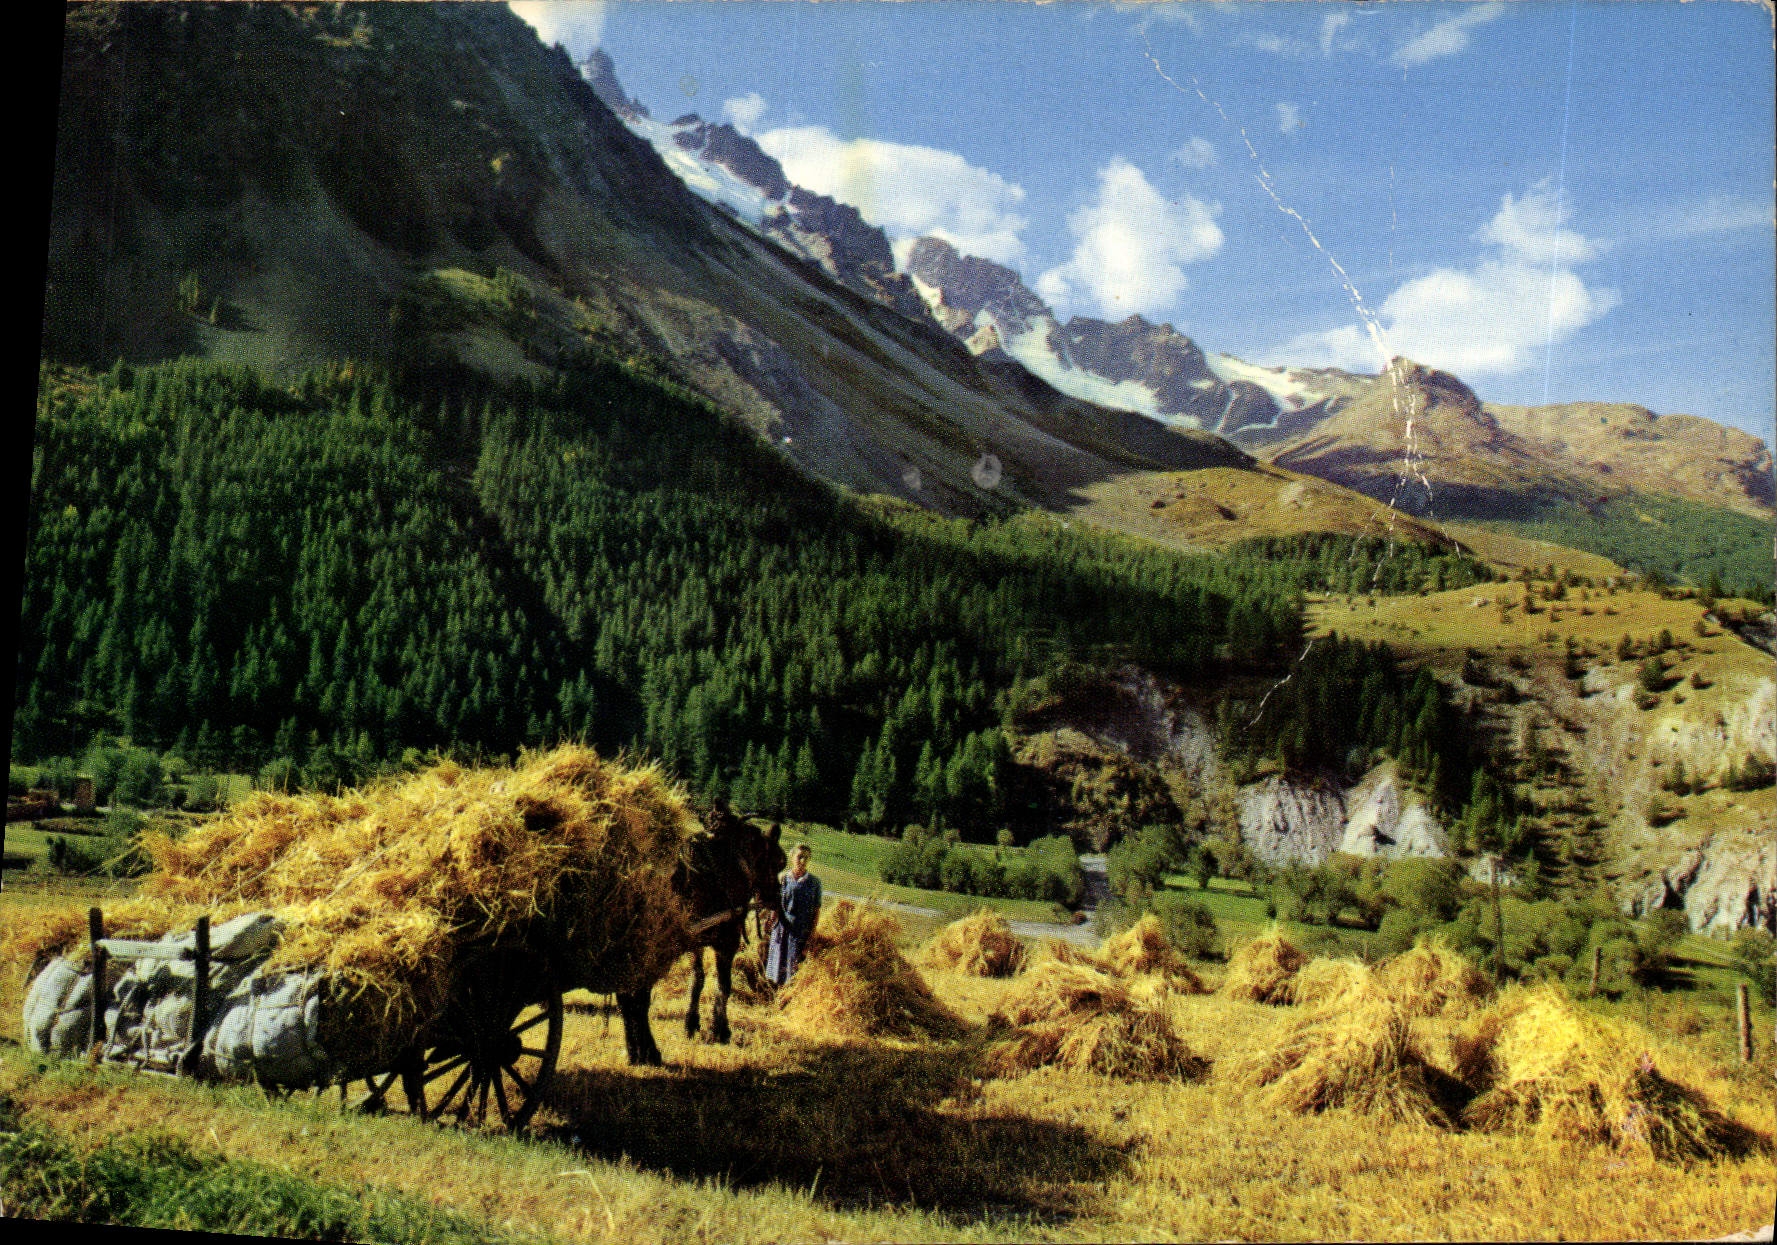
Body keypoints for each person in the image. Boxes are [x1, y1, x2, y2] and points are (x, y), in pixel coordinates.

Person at [764, 843, 821, 986]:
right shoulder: (782, 878)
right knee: (776, 967)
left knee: (793, 971)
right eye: (800, 856)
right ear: (792, 857)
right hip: (781, 930)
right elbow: (776, 905)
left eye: (806, 858)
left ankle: (789, 1001)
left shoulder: (814, 883)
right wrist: (770, 920)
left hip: (800, 932)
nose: (803, 861)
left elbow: (816, 911)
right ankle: (775, 999)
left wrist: (811, 935)